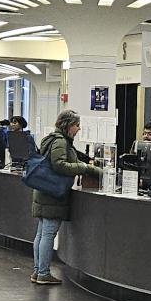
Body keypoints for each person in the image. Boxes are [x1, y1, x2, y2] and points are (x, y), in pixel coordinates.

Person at [29, 109, 97, 286]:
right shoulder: (60, 141)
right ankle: (43, 273)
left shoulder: (52, 139)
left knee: (41, 234)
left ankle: (37, 271)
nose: (79, 129)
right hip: (53, 194)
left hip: (44, 190)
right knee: (48, 234)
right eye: (77, 125)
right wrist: (84, 168)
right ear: (68, 125)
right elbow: (59, 165)